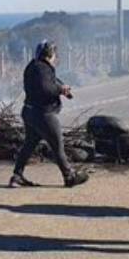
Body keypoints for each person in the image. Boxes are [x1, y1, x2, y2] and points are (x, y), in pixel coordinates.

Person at [9, 40, 88, 188]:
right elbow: (46, 89)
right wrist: (61, 90)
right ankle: (69, 176)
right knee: (57, 145)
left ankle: (17, 176)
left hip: (29, 111)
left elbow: (44, 85)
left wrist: (59, 87)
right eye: (54, 54)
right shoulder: (43, 68)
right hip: (43, 114)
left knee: (29, 144)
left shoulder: (33, 66)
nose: (56, 57)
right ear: (50, 54)